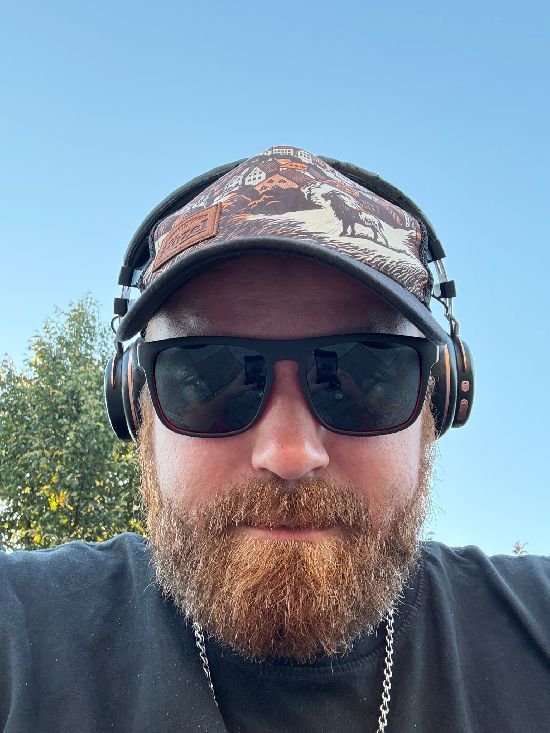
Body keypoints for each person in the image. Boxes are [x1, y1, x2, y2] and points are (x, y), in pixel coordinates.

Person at [1, 146, 548, 733]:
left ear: (437, 404)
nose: (290, 455)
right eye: (207, 376)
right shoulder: (21, 627)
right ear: (137, 404)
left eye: (366, 373)